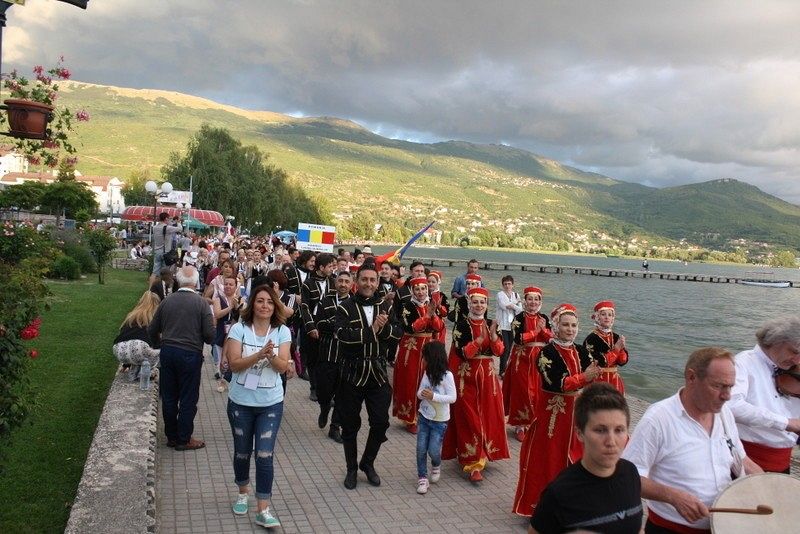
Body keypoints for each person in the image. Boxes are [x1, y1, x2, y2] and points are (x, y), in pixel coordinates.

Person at [622, 347, 763, 533]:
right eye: (718, 386)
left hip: (721, 527)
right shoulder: (658, 419)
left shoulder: (724, 413)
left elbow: (741, 458)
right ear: (691, 377)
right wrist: (673, 497)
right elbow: (627, 478)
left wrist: (767, 485)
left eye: (730, 386)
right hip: (670, 530)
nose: (727, 396)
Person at [513, 304, 600, 516]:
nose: (570, 329)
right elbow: (557, 383)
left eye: (573, 325)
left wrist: (589, 379)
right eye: (565, 325)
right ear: (556, 326)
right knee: (550, 459)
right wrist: (584, 377)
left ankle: (573, 506)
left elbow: (593, 375)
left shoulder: (581, 351)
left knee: (579, 458)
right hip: (553, 416)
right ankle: (546, 507)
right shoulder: (546, 353)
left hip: (577, 414)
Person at [529, 382, 642, 534]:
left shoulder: (631, 473)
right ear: (579, 433)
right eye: (600, 430)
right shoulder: (560, 493)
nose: (611, 441)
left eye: (619, 430)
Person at [224, 284, 292, 529]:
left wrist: (271, 356)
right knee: (242, 452)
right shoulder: (239, 329)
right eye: (260, 301)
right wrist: (260, 354)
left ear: (276, 306)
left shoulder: (282, 331)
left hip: (270, 403)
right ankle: (242, 492)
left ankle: (263, 509)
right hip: (241, 403)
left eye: (270, 302)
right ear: (252, 303)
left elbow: (283, 366)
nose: (265, 306)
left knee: (264, 455)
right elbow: (234, 364)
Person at [335, 264, 401, 489]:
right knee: (350, 425)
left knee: (381, 422)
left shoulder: (386, 306)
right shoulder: (345, 307)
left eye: (373, 280)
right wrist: (372, 330)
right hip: (352, 372)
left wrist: (383, 329)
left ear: (378, 282)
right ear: (357, 280)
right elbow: (342, 335)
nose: (368, 284)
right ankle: (351, 468)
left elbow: (397, 333)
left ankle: (367, 462)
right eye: (364, 279)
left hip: (378, 373)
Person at [442, 287, 509, 482]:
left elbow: (499, 352)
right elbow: (463, 353)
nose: (479, 305)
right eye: (475, 302)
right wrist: (479, 340)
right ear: (469, 304)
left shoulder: (491, 324)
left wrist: (494, 337)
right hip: (467, 377)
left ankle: (484, 453)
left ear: (486, 305)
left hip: (488, 377)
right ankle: (472, 462)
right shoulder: (461, 325)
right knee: (468, 417)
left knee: (488, 415)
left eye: (482, 302)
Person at [148, 266, 215, 451]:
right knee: (188, 397)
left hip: (168, 351)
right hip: (190, 353)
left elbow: (152, 329)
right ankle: (184, 438)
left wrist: (159, 344)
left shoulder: (167, 301)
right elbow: (209, 336)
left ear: (178, 280)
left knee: (169, 396)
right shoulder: (201, 303)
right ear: (196, 281)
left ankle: (171, 436)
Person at [729, 316, 800, 473]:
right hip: (747, 462)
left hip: (782, 463)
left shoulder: (794, 369)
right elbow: (732, 406)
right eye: (794, 351)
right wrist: (786, 423)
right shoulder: (743, 363)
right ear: (775, 341)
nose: (797, 361)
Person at [393, 276, 445, 433]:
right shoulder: (407, 306)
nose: (421, 292)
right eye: (417, 289)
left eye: (423, 288)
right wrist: (427, 316)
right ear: (412, 291)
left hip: (428, 347)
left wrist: (433, 315)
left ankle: (427, 414)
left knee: (428, 380)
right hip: (412, 347)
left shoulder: (430, 304)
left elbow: (438, 327)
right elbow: (410, 328)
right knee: (411, 380)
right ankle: (410, 417)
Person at [503, 286, 552, 442]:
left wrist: (543, 330)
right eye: (530, 299)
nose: (533, 302)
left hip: (540, 359)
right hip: (522, 359)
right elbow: (518, 338)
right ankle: (520, 425)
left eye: (536, 299)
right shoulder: (519, 318)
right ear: (524, 301)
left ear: (540, 302)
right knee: (523, 391)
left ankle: (535, 422)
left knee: (538, 391)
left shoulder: (544, 318)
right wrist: (536, 332)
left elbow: (551, 338)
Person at [314, 270, 353, 444]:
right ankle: (324, 407)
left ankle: (335, 427)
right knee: (323, 391)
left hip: (346, 356)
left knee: (343, 395)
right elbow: (319, 323)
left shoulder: (354, 303)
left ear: (351, 284)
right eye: (340, 281)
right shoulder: (326, 300)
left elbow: (356, 327)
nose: (343, 284)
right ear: (335, 283)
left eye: (346, 281)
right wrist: (339, 326)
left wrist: (337, 326)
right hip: (327, 352)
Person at [415, 341, 456, 495]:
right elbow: (419, 392)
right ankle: (422, 478)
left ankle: (436, 464)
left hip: (440, 421)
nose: (423, 360)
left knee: (433, 450)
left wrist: (434, 396)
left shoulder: (448, 376)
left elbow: (452, 398)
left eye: (425, 357)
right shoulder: (426, 374)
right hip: (424, 417)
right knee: (420, 449)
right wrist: (422, 394)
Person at [300, 252, 337, 402]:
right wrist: (311, 327)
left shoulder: (333, 282)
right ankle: (314, 388)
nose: (332, 269)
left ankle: (327, 391)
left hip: (329, 323)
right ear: (321, 267)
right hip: (314, 322)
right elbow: (305, 307)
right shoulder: (308, 284)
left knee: (327, 359)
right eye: (330, 266)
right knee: (313, 358)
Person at [112, 290, 161, 380]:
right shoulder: (153, 317)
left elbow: (127, 337)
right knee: (163, 351)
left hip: (118, 349)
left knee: (139, 353)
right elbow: (155, 340)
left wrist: (125, 364)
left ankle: (135, 370)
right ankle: (147, 371)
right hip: (140, 347)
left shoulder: (132, 315)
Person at [583, 300, 629, 394]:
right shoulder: (591, 338)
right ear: (597, 317)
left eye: (610, 315)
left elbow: (622, 362)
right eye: (603, 314)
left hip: (614, 381)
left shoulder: (616, 337)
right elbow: (599, 362)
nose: (607, 317)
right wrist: (616, 349)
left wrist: (622, 349)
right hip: (598, 380)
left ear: (613, 318)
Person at [212, 275, 243, 392]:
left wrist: (237, 306)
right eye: (226, 284)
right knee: (221, 359)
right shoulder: (218, 298)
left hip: (236, 335)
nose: (228, 286)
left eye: (231, 284)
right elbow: (217, 314)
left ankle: (233, 381)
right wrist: (230, 307)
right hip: (222, 332)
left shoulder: (240, 299)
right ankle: (222, 380)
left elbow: (243, 314)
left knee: (234, 358)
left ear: (236, 286)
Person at [495, 275, 523, 377]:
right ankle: (502, 370)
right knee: (505, 348)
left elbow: (520, 310)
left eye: (509, 284)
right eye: (505, 284)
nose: (507, 286)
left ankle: (506, 369)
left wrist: (512, 305)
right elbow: (504, 306)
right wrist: (515, 303)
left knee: (510, 348)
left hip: (513, 325)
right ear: (503, 285)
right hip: (502, 325)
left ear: (513, 285)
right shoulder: (500, 294)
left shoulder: (516, 294)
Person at [149, 212, 183, 284]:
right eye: (168, 218)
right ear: (166, 218)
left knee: (154, 272)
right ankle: (163, 288)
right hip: (165, 252)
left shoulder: (154, 228)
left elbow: (167, 224)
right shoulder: (167, 228)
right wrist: (178, 222)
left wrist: (170, 221)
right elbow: (180, 229)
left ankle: (150, 289)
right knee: (165, 273)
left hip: (157, 251)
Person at [427, 270, 449, 344]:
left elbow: (445, 314)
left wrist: (439, 306)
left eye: (433, 282)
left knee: (438, 346)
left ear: (437, 283)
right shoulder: (422, 294)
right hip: (426, 324)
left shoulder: (442, 296)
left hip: (439, 325)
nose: (430, 284)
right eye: (429, 281)